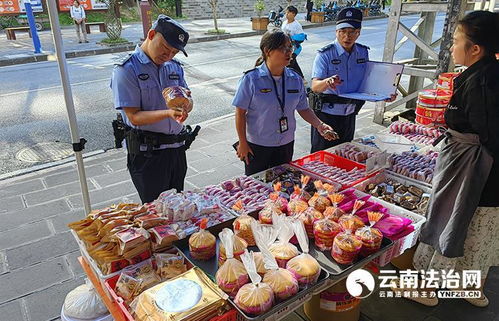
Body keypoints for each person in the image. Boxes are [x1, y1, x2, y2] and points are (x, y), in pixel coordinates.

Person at [411, 11, 499, 308]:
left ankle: (427, 291)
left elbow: (488, 134)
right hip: (485, 175)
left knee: (448, 219)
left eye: (456, 40)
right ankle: (472, 289)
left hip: (472, 172)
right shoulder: (487, 74)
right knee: (478, 233)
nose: (451, 47)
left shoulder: (482, 83)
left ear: (475, 48)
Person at [111, 15, 196, 203]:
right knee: (156, 213)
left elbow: (187, 98)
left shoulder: (173, 67)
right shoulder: (127, 69)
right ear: (151, 34)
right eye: (165, 48)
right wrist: (168, 113)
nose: (168, 56)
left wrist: (187, 104)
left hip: (176, 149)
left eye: (174, 52)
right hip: (148, 154)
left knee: (177, 207)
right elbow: (134, 117)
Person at [232, 30, 338, 176]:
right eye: (283, 48)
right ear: (268, 51)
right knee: (256, 187)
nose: (288, 52)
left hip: (286, 143)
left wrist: (320, 125)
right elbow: (240, 113)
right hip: (258, 145)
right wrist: (242, 143)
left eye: (290, 48)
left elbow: (304, 109)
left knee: (283, 185)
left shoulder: (295, 79)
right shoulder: (251, 80)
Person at [309, 7, 395, 153]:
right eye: (342, 32)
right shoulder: (325, 54)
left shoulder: (362, 52)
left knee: (345, 154)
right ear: (336, 32)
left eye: (352, 32)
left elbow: (368, 82)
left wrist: (385, 93)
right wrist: (327, 82)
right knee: (322, 157)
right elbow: (315, 86)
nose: (347, 37)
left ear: (358, 33)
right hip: (326, 116)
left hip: (349, 114)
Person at [281, 5, 306, 78]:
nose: (286, 14)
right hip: (285, 48)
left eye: (288, 12)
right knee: (292, 63)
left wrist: (291, 38)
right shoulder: (284, 23)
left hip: (295, 49)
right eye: (286, 12)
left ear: (293, 14)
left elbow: (302, 37)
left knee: (291, 62)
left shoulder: (296, 25)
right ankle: (300, 78)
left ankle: (300, 79)